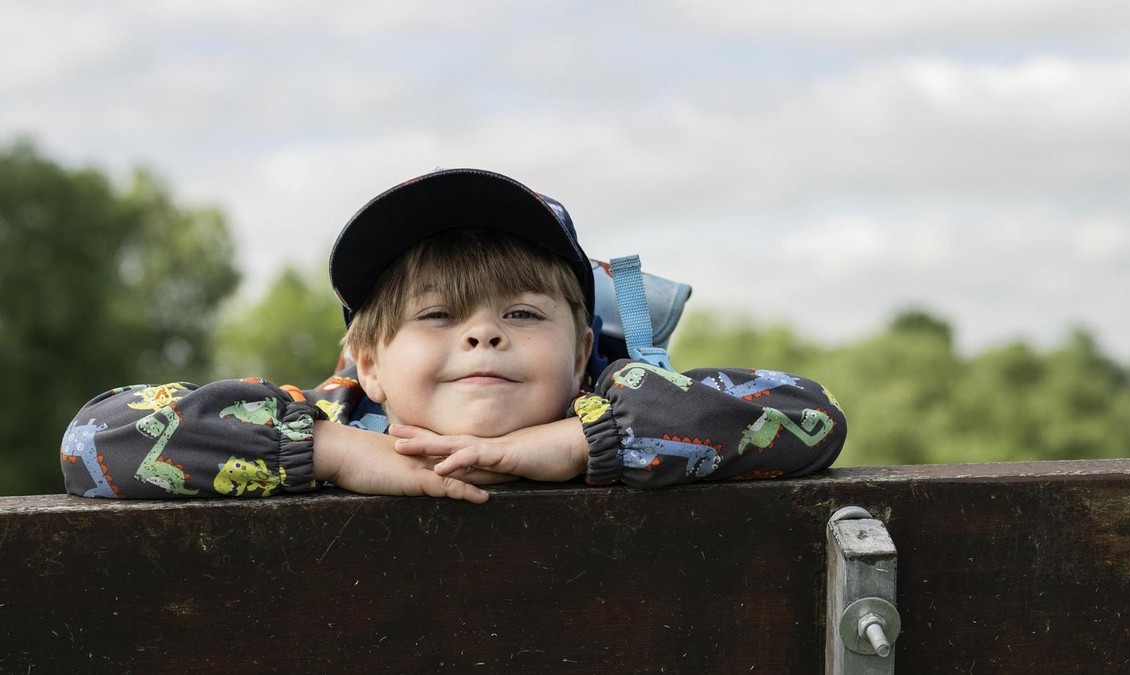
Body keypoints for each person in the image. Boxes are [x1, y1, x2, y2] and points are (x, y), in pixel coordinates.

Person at [60, 168, 846, 502]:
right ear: (366, 364)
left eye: (522, 314)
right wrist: (333, 453)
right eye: (438, 316)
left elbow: (814, 415)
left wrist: (585, 443)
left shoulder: (630, 415)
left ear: (580, 355)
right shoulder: (321, 432)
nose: (482, 337)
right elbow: (93, 438)